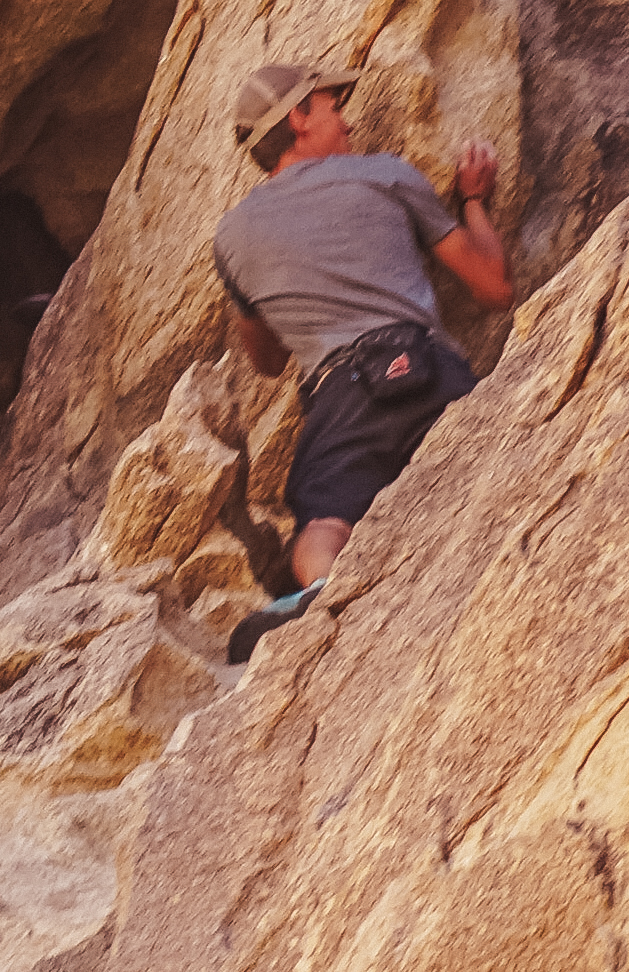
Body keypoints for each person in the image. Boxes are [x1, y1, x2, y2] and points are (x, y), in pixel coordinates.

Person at [211, 62, 511, 664]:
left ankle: (325, 592)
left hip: (340, 391)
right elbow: (493, 287)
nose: (345, 120)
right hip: (427, 366)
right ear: (298, 119)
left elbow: (267, 360)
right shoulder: (385, 175)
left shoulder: (233, 237)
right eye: (329, 107)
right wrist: (474, 200)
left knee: (324, 520)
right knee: (487, 466)